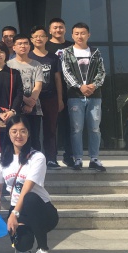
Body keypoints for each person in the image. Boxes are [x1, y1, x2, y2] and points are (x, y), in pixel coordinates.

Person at [0, 115, 59, 253]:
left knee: (30, 198)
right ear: (8, 133)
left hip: (41, 210)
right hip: (18, 210)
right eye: (14, 131)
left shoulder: (37, 157)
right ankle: (27, 240)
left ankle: (43, 250)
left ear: (28, 133)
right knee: (22, 246)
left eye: (23, 131)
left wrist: (14, 214)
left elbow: (27, 188)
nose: (18, 135)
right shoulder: (1, 158)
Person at [60, 22, 106, 172]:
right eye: (77, 33)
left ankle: (94, 159)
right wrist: (80, 86)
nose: (80, 36)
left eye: (83, 33)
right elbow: (66, 72)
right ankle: (78, 159)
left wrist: (93, 85)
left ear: (88, 35)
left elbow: (102, 72)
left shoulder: (95, 52)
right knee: (76, 128)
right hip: (75, 96)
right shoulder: (67, 52)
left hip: (94, 96)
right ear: (72, 35)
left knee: (94, 128)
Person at [29, 26, 65, 169]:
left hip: (51, 98)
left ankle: (51, 159)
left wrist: (60, 99)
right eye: (35, 36)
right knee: (34, 130)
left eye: (41, 36)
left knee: (50, 129)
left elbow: (57, 79)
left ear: (46, 38)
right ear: (31, 40)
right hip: (34, 99)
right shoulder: (28, 57)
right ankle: (35, 159)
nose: (38, 39)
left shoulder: (53, 58)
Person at [7, 35, 44, 151]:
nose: (23, 46)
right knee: (16, 137)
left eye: (26, 43)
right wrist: (25, 100)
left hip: (34, 108)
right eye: (20, 44)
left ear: (29, 46)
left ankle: (35, 160)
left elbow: (38, 85)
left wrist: (31, 103)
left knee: (34, 138)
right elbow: (11, 88)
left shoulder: (36, 64)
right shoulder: (8, 65)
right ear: (14, 47)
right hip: (15, 108)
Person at [46, 17, 74, 167]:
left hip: (71, 91)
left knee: (69, 125)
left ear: (65, 29)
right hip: (51, 91)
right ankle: (51, 156)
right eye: (55, 27)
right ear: (50, 30)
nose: (58, 30)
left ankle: (69, 156)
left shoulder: (72, 46)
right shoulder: (45, 46)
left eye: (61, 27)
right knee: (51, 126)